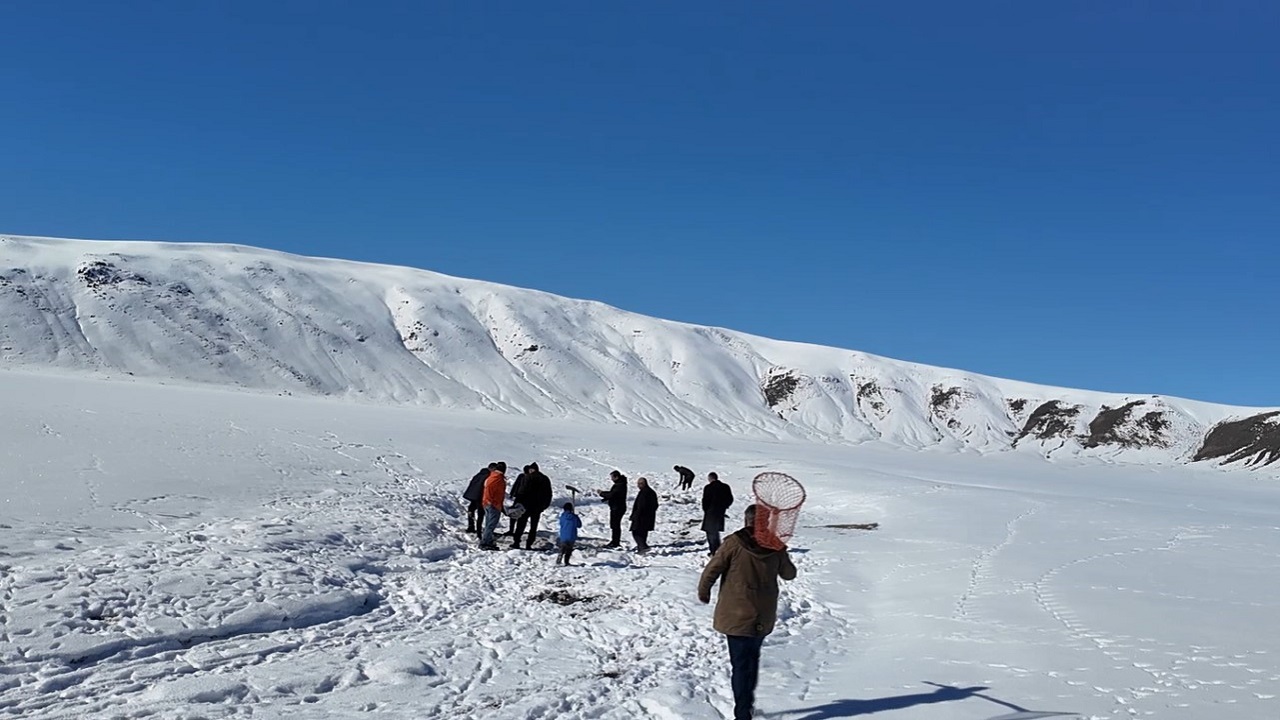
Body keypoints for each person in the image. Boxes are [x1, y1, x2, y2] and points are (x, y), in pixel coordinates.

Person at [697, 504, 797, 720]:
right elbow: (789, 574)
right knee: (751, 660)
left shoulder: (734, 543)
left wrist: (704, 591)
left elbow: (712, 568)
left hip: (736, 615)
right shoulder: (775, 545)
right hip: (763, 615)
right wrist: (782, 551)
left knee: (741, 665)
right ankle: (746, 706)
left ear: (747, 521)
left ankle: (743, 712)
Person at [512, 462, 553, 549]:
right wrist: (544, 506)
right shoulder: (545, 479)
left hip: (525, 506)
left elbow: (521, 492)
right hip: (537, 507)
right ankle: (529, 544)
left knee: (521, 524)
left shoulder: (527, 478)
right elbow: (548, 494)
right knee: (533, 527)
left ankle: (516, 542)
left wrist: (518, 503)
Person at [700, 471, 734, 555]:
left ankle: (713, 551)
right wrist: (724, 507)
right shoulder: (725, 487)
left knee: (710, 532)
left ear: (710, 479)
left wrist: (706, 510)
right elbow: (730, 499)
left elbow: (705, 500)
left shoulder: (708, 487)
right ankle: (718, 549)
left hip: (710, 513)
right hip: (720, 512)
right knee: (716, 531)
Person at [479, 461, 507, 550]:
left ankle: (488, 540)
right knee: (491, 524)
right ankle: (485, 543)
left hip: (488, 503)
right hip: (493, 504)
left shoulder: (492, 476)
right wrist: (491, 502)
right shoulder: (497, 478)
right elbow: (490, 490)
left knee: (488, 524)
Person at [597, 470, 628, 548]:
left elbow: (612, 494)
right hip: (616, 507)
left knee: (615, 525)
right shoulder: (620, 484)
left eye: (612, 477)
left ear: (616, 477)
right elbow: (613, 494)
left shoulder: (620, 485)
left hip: (617, 508)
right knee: (614, 525)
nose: (611, 479)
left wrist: (602, 493)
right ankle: (614, 541)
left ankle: (615, 542)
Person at [629, 477, 659, 552]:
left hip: (641, 517)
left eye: (639, 484)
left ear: (643, 484)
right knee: (643, 532)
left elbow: (640, 506)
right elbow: (655, 505)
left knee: (636, 532)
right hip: (648, 516)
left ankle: (643, 546)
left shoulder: (644, 493)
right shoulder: (651, 492)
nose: (638, 486)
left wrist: (635, 515)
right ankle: (641, 546)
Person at [463, 463, 494, 534]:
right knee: (480, 514)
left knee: (471, 509)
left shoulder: (479, 474)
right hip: (480, 497)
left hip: (473, 496)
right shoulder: (488, 476)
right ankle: (479, 529)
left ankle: (471, 526)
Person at [507, 465, 531, 536]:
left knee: (514, 514)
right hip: (525, 499)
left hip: (518, 497)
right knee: (521, 515)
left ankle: (511, 530)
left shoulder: (521, 476)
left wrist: (512, 494)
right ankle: (517, 531)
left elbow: (516, 485)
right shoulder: (529, 478)